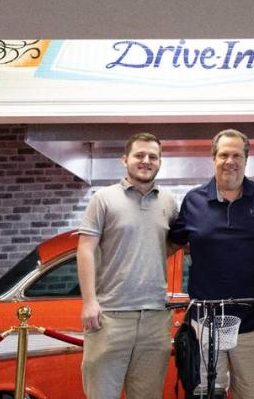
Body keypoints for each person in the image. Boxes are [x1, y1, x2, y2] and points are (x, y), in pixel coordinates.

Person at [169, 129, 254, 399]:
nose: (230, 161)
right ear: (213, 158)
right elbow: (172, 243)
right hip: (206, 325)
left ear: (246, 159)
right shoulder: (194, 201)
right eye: (223, 155)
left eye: (237, 155)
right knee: (207, 395)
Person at [76, 132, 179, 399]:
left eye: (153, 157)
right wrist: (89, 301)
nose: (146, 161)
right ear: (125, 160)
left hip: (155, 318)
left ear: (159, 162)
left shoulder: (169, 203)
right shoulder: (104, 199)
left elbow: (170, 246)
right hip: (110, 317)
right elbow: (85, 248)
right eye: (139, 155)